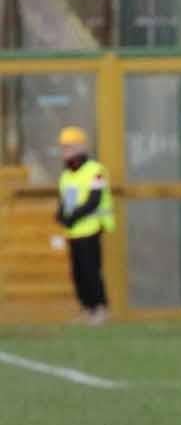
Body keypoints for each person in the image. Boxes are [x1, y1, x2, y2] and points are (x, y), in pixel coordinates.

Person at [55, 125, 113, 323]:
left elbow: (94, 200)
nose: (65, 153)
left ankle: (100, 308)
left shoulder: (95, 170)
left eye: (69, 147)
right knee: (77, 273)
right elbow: (65, 200)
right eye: (63, 148)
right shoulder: (66, 175)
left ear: (81, 147)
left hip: (91, 228)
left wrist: (74, 217)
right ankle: (87, 308)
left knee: (91, 270)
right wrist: (61, 215)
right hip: (73, 232)